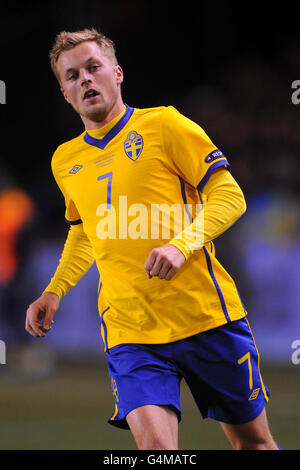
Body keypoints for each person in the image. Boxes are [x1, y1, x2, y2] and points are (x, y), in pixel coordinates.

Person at [25, 28, 280, 450]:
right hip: (131, 331)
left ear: (117, 73)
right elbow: (84, 231)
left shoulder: (164, 124)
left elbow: (229, 195)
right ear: (65, 93)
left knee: (254, 443)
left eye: (93, 67)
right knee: (158, 452)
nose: (85, 79)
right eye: (72, 75)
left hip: (205, 318)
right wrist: (55, 290)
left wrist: (182, 246)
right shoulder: (65, 160)